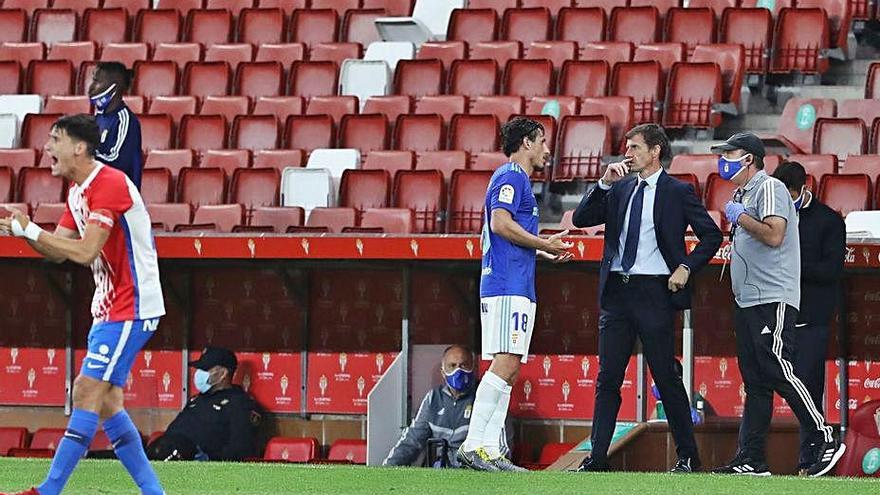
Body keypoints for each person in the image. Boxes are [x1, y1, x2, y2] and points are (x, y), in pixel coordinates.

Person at [0, 114, 165, 495]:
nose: (47, 148)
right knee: (107, 403)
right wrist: (20, 232)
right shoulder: (77, 191)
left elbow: (86, 249)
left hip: (133, 305)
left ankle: (48, 490)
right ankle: (154, 493)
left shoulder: (108, 184)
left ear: (79, 147)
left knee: (86, 390)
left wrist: (31, 231)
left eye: (55, 139)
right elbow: (57, 251)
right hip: (110, 306)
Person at [571, 123, 722, 473]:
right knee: (608, 377)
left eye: (635, 147)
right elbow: (581, 219)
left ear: (655, 151)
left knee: (666, 377)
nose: (628, 153)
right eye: (627, 148)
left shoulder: (678, 191)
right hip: (617, 294)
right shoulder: (620, 187)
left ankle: (688, 457)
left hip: (655, 291)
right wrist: (604, 183)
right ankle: (596, 459)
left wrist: (686, 267)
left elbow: (711, 236)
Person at [709, 132, 846, 477]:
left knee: (777, 366)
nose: (723, 160)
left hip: (773, 296)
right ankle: (751, 458)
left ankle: (824, 436)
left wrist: (740, 217)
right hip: (749, 298)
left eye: (731, 153)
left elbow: (774, 234)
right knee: (756, 379)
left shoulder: (769, 187)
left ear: (750, 158)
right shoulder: (742, 193)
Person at [457, 117, 574, 472]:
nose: (546, 150)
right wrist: (542, 241)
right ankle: (473, 443)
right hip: (507, 285)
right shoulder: (510, 177)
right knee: (505, 362)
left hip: (516, 281)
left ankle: (490, 449)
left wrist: (543, 250)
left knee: (510, 368)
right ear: (526, 143)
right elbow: (500, 224)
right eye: (542, 141)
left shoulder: (517, 179)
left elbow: (506, 237)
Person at [771, 161, 846, 474]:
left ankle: (810, 461)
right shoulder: (772, 216)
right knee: (760, 386)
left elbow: (831, 271)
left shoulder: (829, 221)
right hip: (774, 316)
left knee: (809, 391)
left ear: (803, 188)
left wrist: (793, 266)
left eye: (789, 196)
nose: (784, 204)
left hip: (811, 319)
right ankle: (751, 457)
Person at [384, 345, 510, 468]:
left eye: (464, 365)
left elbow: (501, 449)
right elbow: (412, 440)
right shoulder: (433, 399)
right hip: (440, 472)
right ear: (443, 373)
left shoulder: (488, 398)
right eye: (452, 366)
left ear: (474, 368)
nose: (458, 371)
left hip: (474, 473)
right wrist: (388, 468)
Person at [147, 347, 262, 462]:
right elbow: (172, 432)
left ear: (223, 373)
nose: (198, 373)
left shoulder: (240, 403)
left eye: (205, 369)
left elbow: (241, 449)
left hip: (201, 467)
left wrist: (208, 459)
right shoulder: (195, 400)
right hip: (168, 453)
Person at [88, 62, 143, 189]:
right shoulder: (97, 118)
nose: (90, 88)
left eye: (97, 82)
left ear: (115, 87)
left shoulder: (126, 120)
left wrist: (85, 155)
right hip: (99, 197)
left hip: (121, 201)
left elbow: (117, 162)